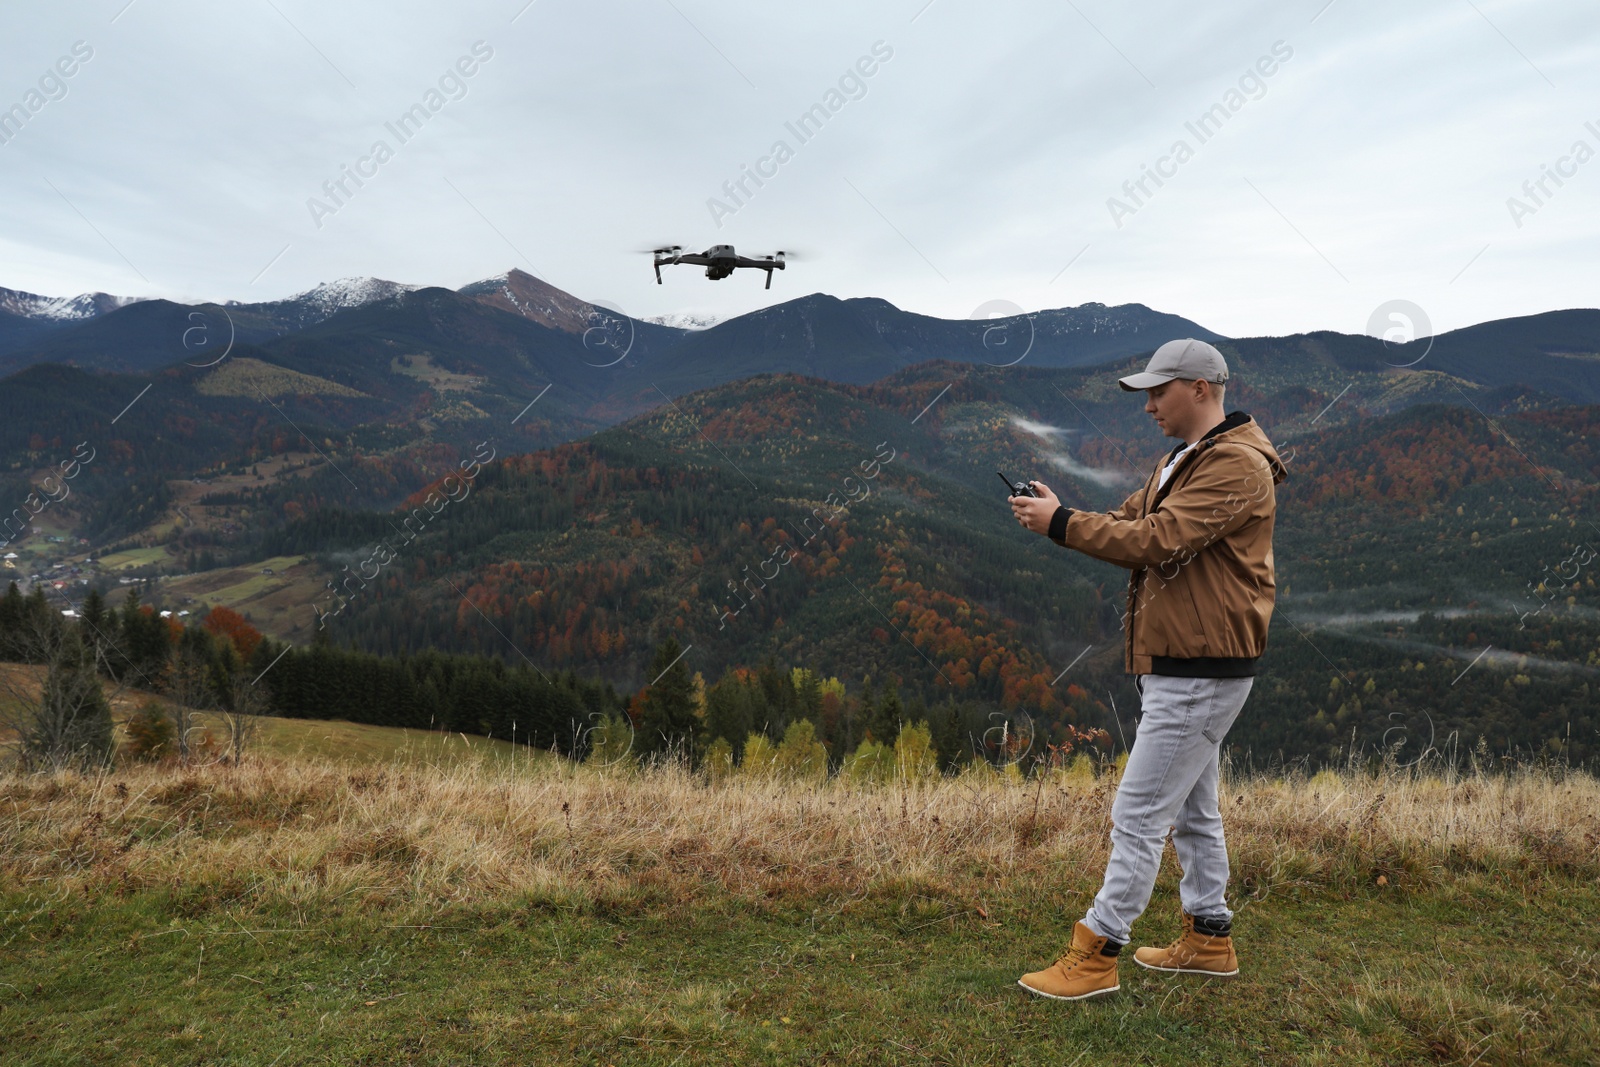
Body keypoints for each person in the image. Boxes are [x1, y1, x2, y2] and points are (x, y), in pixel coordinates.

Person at [1006, 338, 1288, 1001]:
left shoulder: (1237, 467)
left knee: (1137, 814)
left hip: (1201, 668)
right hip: (1187, 663)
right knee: (1191, 809)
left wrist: (1059, 525)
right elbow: (1132, 518)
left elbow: (1158, 542)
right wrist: (1061, 509)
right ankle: (1209, 936)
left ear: (1198, 387)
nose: (1150, 405)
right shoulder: (1182, 459)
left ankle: (1097, 950)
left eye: (1158, 391)